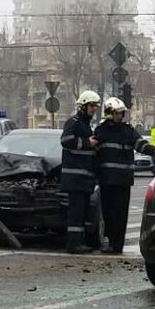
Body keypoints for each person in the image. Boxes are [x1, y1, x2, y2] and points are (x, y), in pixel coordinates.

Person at [93, 97, 155, 255]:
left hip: (122, 181)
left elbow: (139, 143)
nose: (121, 116)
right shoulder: (101, 131)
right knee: (108, 213)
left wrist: (153, 150)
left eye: (122, 113)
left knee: (121, 214)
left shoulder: (127, 130)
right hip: (107, 180)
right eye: (119, 113)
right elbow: (94, 153)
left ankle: (117, 245)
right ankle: (111, 241)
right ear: (110, 113)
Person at [60, 91, 101, 255]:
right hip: (75, 178)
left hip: (84, 179)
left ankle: (80, 242)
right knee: (76, 214)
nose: (94, 109)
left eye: (95, 106)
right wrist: (87, 142)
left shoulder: (85, 124)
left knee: (82, 212)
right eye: (91, 106)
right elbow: (65, 140)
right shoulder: (74, 122)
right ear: (83, 106)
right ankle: (74, 244)